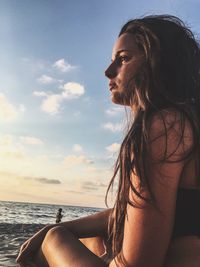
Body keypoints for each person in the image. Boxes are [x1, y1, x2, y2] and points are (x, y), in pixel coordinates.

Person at [16, 15, 200, 267]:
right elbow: (134, 212)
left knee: (53, 239)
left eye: (123, 59)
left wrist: (53, 234)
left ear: (160, 64)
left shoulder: (163, 128)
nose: (108, 72)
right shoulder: (187, 121)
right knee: (94, 239)